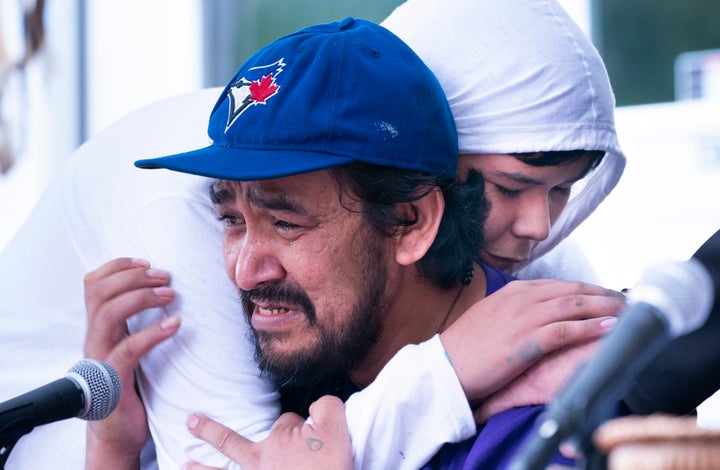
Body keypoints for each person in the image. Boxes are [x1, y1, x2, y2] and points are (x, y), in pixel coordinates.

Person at [84, 16, 625, 470]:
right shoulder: (318, 360)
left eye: (287, 225)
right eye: (231, 221)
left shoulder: (548, 411)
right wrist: (113, 449)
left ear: (412, 223)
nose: (244, 273)